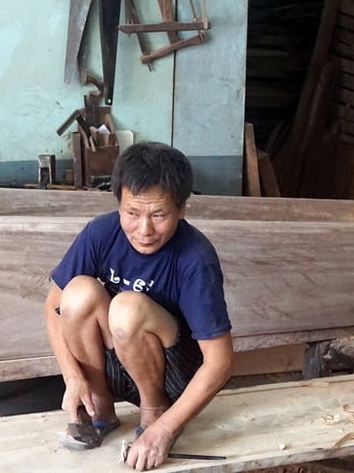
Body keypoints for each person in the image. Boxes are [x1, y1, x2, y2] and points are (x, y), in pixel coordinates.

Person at [44, 141, 233, 471]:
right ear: (119, 204)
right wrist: (73, 377)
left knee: (126, 307)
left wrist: (163, 430)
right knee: (78, 293)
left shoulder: (195, 258)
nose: (144, 230)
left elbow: (219, 362)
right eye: (132, 213)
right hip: (120, 360)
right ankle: (100, 408)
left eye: (159, 215)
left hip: (174, 375)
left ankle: (153, 410)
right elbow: (52, 306)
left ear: (182, 208)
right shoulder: (101, 232)